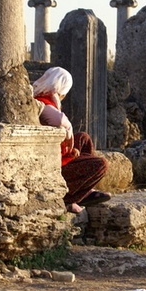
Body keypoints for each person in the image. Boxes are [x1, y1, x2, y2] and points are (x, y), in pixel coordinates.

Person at [32, 67, 111, 213]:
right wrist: (68, 129)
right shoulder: (42, 101)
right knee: (101, 165)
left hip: (58, 153)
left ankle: (85, 191)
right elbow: (59, 120)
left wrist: (71, 146)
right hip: (52, 164)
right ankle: (69, 198)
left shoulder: (48, 100)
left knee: (83, 138)